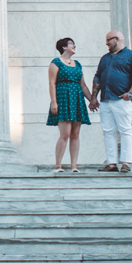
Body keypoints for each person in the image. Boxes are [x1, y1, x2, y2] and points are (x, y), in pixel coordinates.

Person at [88, 29, 132, 172]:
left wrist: (130, 94)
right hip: (105, 100)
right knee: (108, 131)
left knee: (125, 130)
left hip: (122, 100)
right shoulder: (105, 58)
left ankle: (126, 163)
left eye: (108, 40)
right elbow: (97, 77)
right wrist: (94, 97)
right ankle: (112, 163)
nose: (106, 43)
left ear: (117, 39)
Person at [45, 37, 92, 173]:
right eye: (71, 44)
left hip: (77, 99)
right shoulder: (56, 62)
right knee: (65, 134)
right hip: (63, 98)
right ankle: (58, 165)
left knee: (75, 134)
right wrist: (54, 102)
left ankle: (74, 166)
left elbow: (83, 85)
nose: (74, 46)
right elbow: (52, 83)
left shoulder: (77, 64)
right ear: (64, 47)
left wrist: (92, 100)